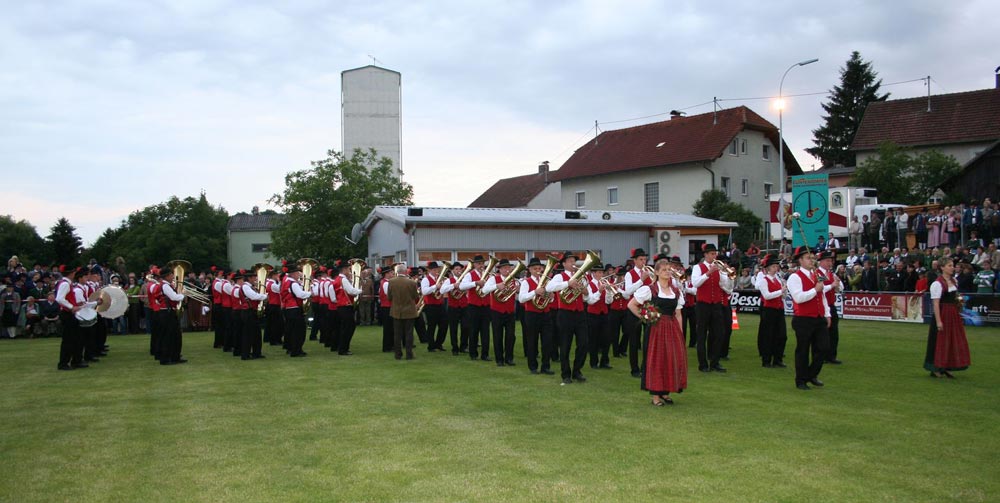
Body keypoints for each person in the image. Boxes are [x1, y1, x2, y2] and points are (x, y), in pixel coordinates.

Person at [628, 257, 687, 406]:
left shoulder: (675, 291)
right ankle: (655, 396)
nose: (667, 272)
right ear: (657, 272)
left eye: (669, 269)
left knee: (670, 359)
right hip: (656, 328)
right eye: (664, 270)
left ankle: (665, 392)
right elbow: (632, 305)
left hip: (672, 328)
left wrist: (680, 333)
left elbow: (678, 314)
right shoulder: (650, 289)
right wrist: (647, 317)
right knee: (657, 360)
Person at [786, 246, 831, 390]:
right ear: (800, 260)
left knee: (823, 348)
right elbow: (798, 298)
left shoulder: (817, 274)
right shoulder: (794, 277)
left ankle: (811, 374)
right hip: (803, 319)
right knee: (803, 350)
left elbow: (822, 295)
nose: (811, 260)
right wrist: (814, 290)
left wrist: (827, 313)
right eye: (808, 258)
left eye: (813, 258)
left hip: (818, 317)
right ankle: (801, 380)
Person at [545, 251, 591, 384]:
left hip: (580, 313)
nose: (573, 264)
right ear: (564, 264)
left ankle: (577, 371)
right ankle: (566, 374)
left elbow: (588, 296)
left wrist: (585, 292)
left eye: (573, 261)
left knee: (583, 343)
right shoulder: (560, 276)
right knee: (565, 345)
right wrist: (567, 284)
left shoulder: (582, 277)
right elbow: (549, 287)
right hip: (565, 313)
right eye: (570, 261)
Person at [924, 258, 971, 378]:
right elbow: (935, 303)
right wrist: (939, 321)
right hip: (943, 313)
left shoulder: (954, 281)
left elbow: (955, 297)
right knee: (939, 340)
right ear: (942, 268)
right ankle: (936, 367)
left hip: (953, 313)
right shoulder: (937, 283)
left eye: (952, 265)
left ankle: (948, 366)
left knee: (952, 340)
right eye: (949, 265)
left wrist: (959, 304)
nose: (952, 267)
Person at [691, 243, 730, 373]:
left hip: (716, 304)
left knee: (719, 333)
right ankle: (702, 364)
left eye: (715, 254)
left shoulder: (718, 268)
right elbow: (696, 283)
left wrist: (726, 273)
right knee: (702, 334)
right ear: (706, 255)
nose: (714, 256)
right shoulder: (698, 267)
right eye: (712, 254)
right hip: (703, 305)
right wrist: (708, 273)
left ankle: (715, 362)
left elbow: (726, 286)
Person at [517, 257, 555, 375]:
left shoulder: (546, 281)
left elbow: (552, 300)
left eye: (539, 268)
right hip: (531, 314)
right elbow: (521, 298)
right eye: (535, 269)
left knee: (547, 341)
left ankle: (546, 366)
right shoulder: (526, 282)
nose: (538, 271)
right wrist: (535, 292)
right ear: (530, 270)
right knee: (532, 341)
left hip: (545, 314)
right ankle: (533, 366)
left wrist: (551, 296)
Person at [621, 248, 653, 377]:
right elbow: (628, 291)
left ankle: (645, 367)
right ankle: (634, 369)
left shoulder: (649, 272)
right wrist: (641, 279)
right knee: (634, 340)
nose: (643, 262)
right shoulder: (630, 274)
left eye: (645, 259)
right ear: (634, 261)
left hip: (649, 307)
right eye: (641, 259)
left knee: (649, 339)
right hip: (633, 307)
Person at [755, 255, 787, 368]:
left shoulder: (778, 279)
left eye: (776, 266)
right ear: (768, 268)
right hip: (769, 310)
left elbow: (782, 296)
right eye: (773, 266)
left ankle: (778, 359)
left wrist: (784, 292)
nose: (776, 268)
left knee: (781, 335)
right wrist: (780, 291)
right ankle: (766, 360)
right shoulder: (764, 280)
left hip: (779, 309)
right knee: (768, 335)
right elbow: (767, 296)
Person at [459, 255, 492, 361]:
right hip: (473, 306)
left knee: (485, 331)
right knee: (473, 330)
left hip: (486, 305)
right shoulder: (469, 275)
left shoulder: (488, 275)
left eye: (482, 263)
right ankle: (473, 353)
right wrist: (475, 283)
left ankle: (485, 354)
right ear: (474, 264)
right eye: (479, 263)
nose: (481, 265)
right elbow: (461, 286)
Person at [387, 263, 420, 360]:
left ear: (397, 272)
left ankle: (398, 354)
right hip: (409, 311)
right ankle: (409, 354)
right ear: (405, 272)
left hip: (396, 311)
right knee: (409, 333)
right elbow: (415, 296)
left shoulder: (391, 282)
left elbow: (389, 297)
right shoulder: (412, 282)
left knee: (397, 334)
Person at [817, 251, 844, 365]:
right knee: (823, 333)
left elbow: (840, 287)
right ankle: (822, 355)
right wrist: (832, 285)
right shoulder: (818, 273)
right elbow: (821, 288)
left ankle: (831, 356)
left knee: (833, 332)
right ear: (821, 261)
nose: (830, 263)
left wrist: (837, 284)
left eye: (831, 261)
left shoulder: (830, 273)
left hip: (831, 305)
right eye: (827, 261)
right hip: (823, 306)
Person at [280, 264, 312, 357]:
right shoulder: (293, 283)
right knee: (299, 331)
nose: (299, 274)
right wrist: (310, 293)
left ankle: (291, 348)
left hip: (289, 308)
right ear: (293, 274)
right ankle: (296, 350)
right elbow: (300, 294)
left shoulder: (286, 280)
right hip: (294, 308)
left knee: (291, 330)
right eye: (298, 273)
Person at [440, 261, 469, 355]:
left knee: (465, 327)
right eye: (456, 269)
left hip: (464, 306)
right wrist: (453, 285)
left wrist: (466, 290)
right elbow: (442, 290)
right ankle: (455, 348)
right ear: (452, 271)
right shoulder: (449, 280)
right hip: (453, 307)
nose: (458, 271)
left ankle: (463, 346)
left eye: (460, 269)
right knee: (453, 328)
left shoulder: (465, 279)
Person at [237, 271, 268, 360]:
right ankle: (245, 354)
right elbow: (253, 296)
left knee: (256, 334)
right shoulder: (246, 287)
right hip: (248, 312)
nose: (256, 279)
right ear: (249, 278)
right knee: (248, 334)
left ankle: (256, 352)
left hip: (252, 311)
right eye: (254, 277)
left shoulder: (250, 286)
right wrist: (264, 296)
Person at [419, 261, 448, 352]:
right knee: (432, 326)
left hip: (440, 304)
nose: (436, 271)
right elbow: (424, 292)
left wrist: (442, 287)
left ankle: (439, 344)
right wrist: (435, 286)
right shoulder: (425, 279)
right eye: (434, 269)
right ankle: (431, 346)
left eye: (437, 269)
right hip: (430, 306)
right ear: (429, 270)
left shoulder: (438, 278)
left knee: (444, 325)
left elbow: (442, 291)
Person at [376, 265, 396, 352]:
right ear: (387, 274)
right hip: (387, 307)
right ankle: (387, 347)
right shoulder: (386, 283)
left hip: (388, 307)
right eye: (391, 272)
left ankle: (391, 345)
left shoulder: (386, 282)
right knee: (388, 328)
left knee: (391, 327)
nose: (393, 274)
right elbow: (390, 295)